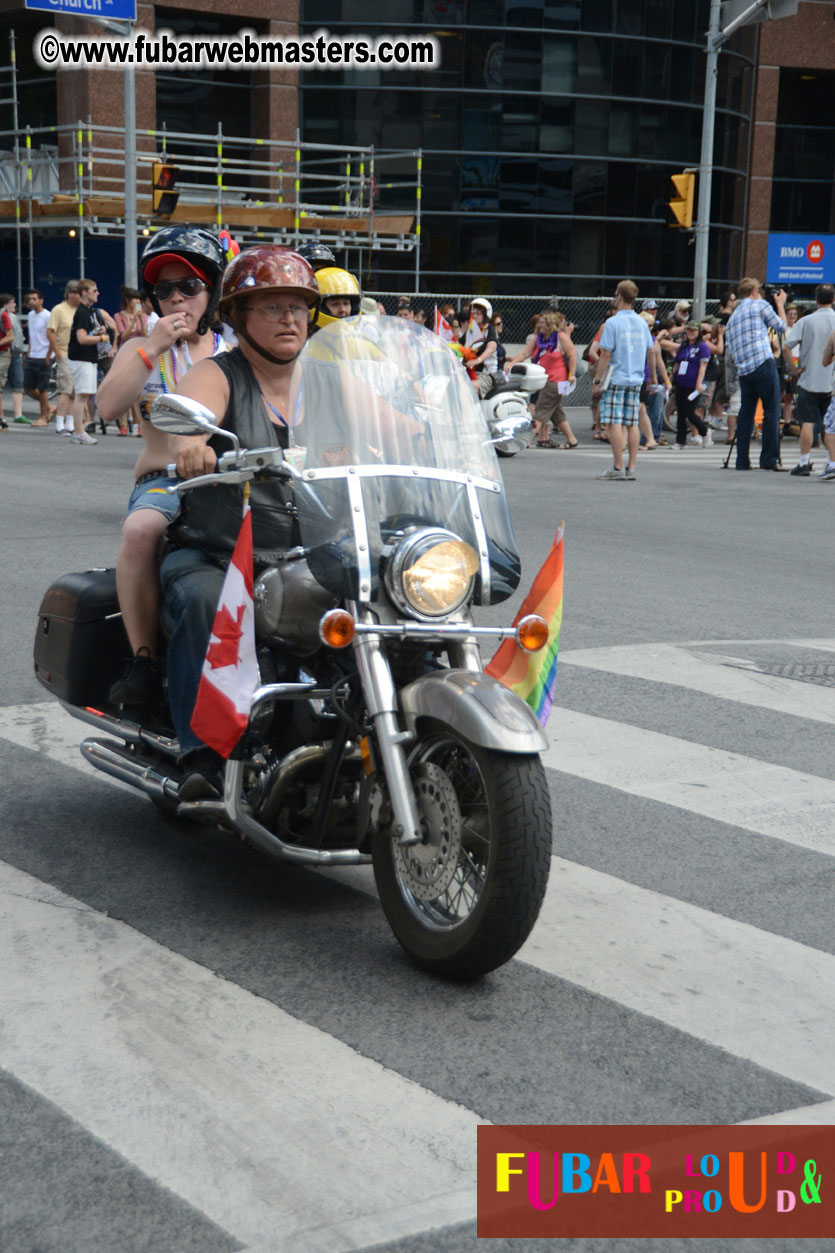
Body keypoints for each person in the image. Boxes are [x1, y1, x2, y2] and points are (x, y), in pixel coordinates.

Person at [156, 246, 320, 800]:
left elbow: (398, 423)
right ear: (238, 316)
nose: (289, 318)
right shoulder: (217, 374)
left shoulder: (326, 380)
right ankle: (201, 755)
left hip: (309, 557)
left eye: (298, 307)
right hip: (219, 554)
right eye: (272, 307)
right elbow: (188, 422)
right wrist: (192, 446)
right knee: (204, 600)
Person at [98, 226, 230, 707]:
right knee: (139, 530)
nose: (176, 299)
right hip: (164, 482)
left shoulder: (235, 348)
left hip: (232, 480)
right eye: (164, 290)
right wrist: (149, 347)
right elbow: (108, 406)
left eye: (189, 287)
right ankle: (144, 661)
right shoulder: (142, 348)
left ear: (212, 292)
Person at [591, 280, 656, 481]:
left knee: (614, 422)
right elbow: (651, 351)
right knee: (632, 423)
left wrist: (597, 380)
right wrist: (652, 376)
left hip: (616, 377)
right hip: (635, 377)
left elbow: (606, 354)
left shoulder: (613, 322)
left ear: (618, 296)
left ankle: (618, 466)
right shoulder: (641, 322)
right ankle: (631, 466)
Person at [724, 277, 788, 471]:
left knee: (746, 414)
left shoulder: (733, 318)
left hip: (744, 370)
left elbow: (731, 350)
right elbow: (782, 326)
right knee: (771, 410)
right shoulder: (759, 304)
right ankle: (768, 459)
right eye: (759, 291)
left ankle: (742, 460)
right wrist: (780, 305)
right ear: (753, 292)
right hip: (762, 362)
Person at [784, 285, 835, 477]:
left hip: (809, 378)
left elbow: (786, 347)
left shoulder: (806, 321)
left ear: (816, 299)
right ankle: (831, 461)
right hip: (831, 382)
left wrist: (795, 369)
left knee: (808, 421)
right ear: (834, 299)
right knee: (831, 425)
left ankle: (804, 461)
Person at [508, 311, 577, 448]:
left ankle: (526, 439)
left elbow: (572, 355)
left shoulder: (561, 337)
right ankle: (572, 439)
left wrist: (572, 374)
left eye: (542, 323)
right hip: (542, 380)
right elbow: (525, 353)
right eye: (539, 323)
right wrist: (512, 364)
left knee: (540, 411)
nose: (539, 325)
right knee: (556, 413)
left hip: (556, 381)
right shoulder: (537, 338)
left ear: (550, 324)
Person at [67, 279, 109, 445]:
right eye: (94, 290)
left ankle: (79, 430)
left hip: (87, 358)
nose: (97, 293)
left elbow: (86, 333)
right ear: (84, 292)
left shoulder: (88, 311)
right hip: (81, 358)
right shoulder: (83, 312)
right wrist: (102, 337)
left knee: (84, 395)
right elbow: (82, 338)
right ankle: (78, 432)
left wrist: (98, 331)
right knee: (81, 395)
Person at [47, 281, 81, 435]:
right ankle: (59, 423)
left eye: (80, 292)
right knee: (65, 390)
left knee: (74, 391)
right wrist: (57, 352)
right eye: (76, 292)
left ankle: (69, 423)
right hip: (65, 353)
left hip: (78, 355)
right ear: (69, 293)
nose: (78, 295)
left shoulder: (80, 310)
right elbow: (50, 331)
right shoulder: (59, 309)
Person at [671, 321, 711, 450]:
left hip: (693, 385)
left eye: (693, 330)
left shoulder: (702, 347)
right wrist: (670, 380)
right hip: (680, 382)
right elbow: (676, 364)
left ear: (698, 332)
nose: (690, 333)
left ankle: (704, 431)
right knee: (680, 413)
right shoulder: (682, 346)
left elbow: (703, 366)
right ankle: (680, 441)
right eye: (688, 330)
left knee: (690, 412)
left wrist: (699, 382)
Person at [25, 289, 54, 426]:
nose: (31, 301)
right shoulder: (30, 315)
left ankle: (43, 417)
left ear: (41, 301)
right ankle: (50, 408)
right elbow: (32, 336)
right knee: (28, 387)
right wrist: (29, 352)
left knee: (43, 388)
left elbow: (53, 337)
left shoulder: (48, 316)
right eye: (30, 299)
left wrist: (49, 356)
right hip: (33, 355)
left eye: (34, 299)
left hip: (44, 356)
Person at [0, 293, 26, 428]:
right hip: (7, 352)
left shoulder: (10, 317)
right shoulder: (4, 316)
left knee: (17, 383)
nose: (15, 304)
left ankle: (16, 415)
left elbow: (14, 336)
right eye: (12, 302)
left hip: (12, 353)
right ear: (5, 304)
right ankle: (2, 417)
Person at [466, 297, 499, 398]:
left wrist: (478, 360)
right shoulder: (470, 331)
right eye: (473, 313)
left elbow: (492, 347)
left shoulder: (490, 329)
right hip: (470, 371)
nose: (475, 316)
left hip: (486, 374)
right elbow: (458, 345)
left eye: (478, 313)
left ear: (485, 315)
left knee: (472, 387)